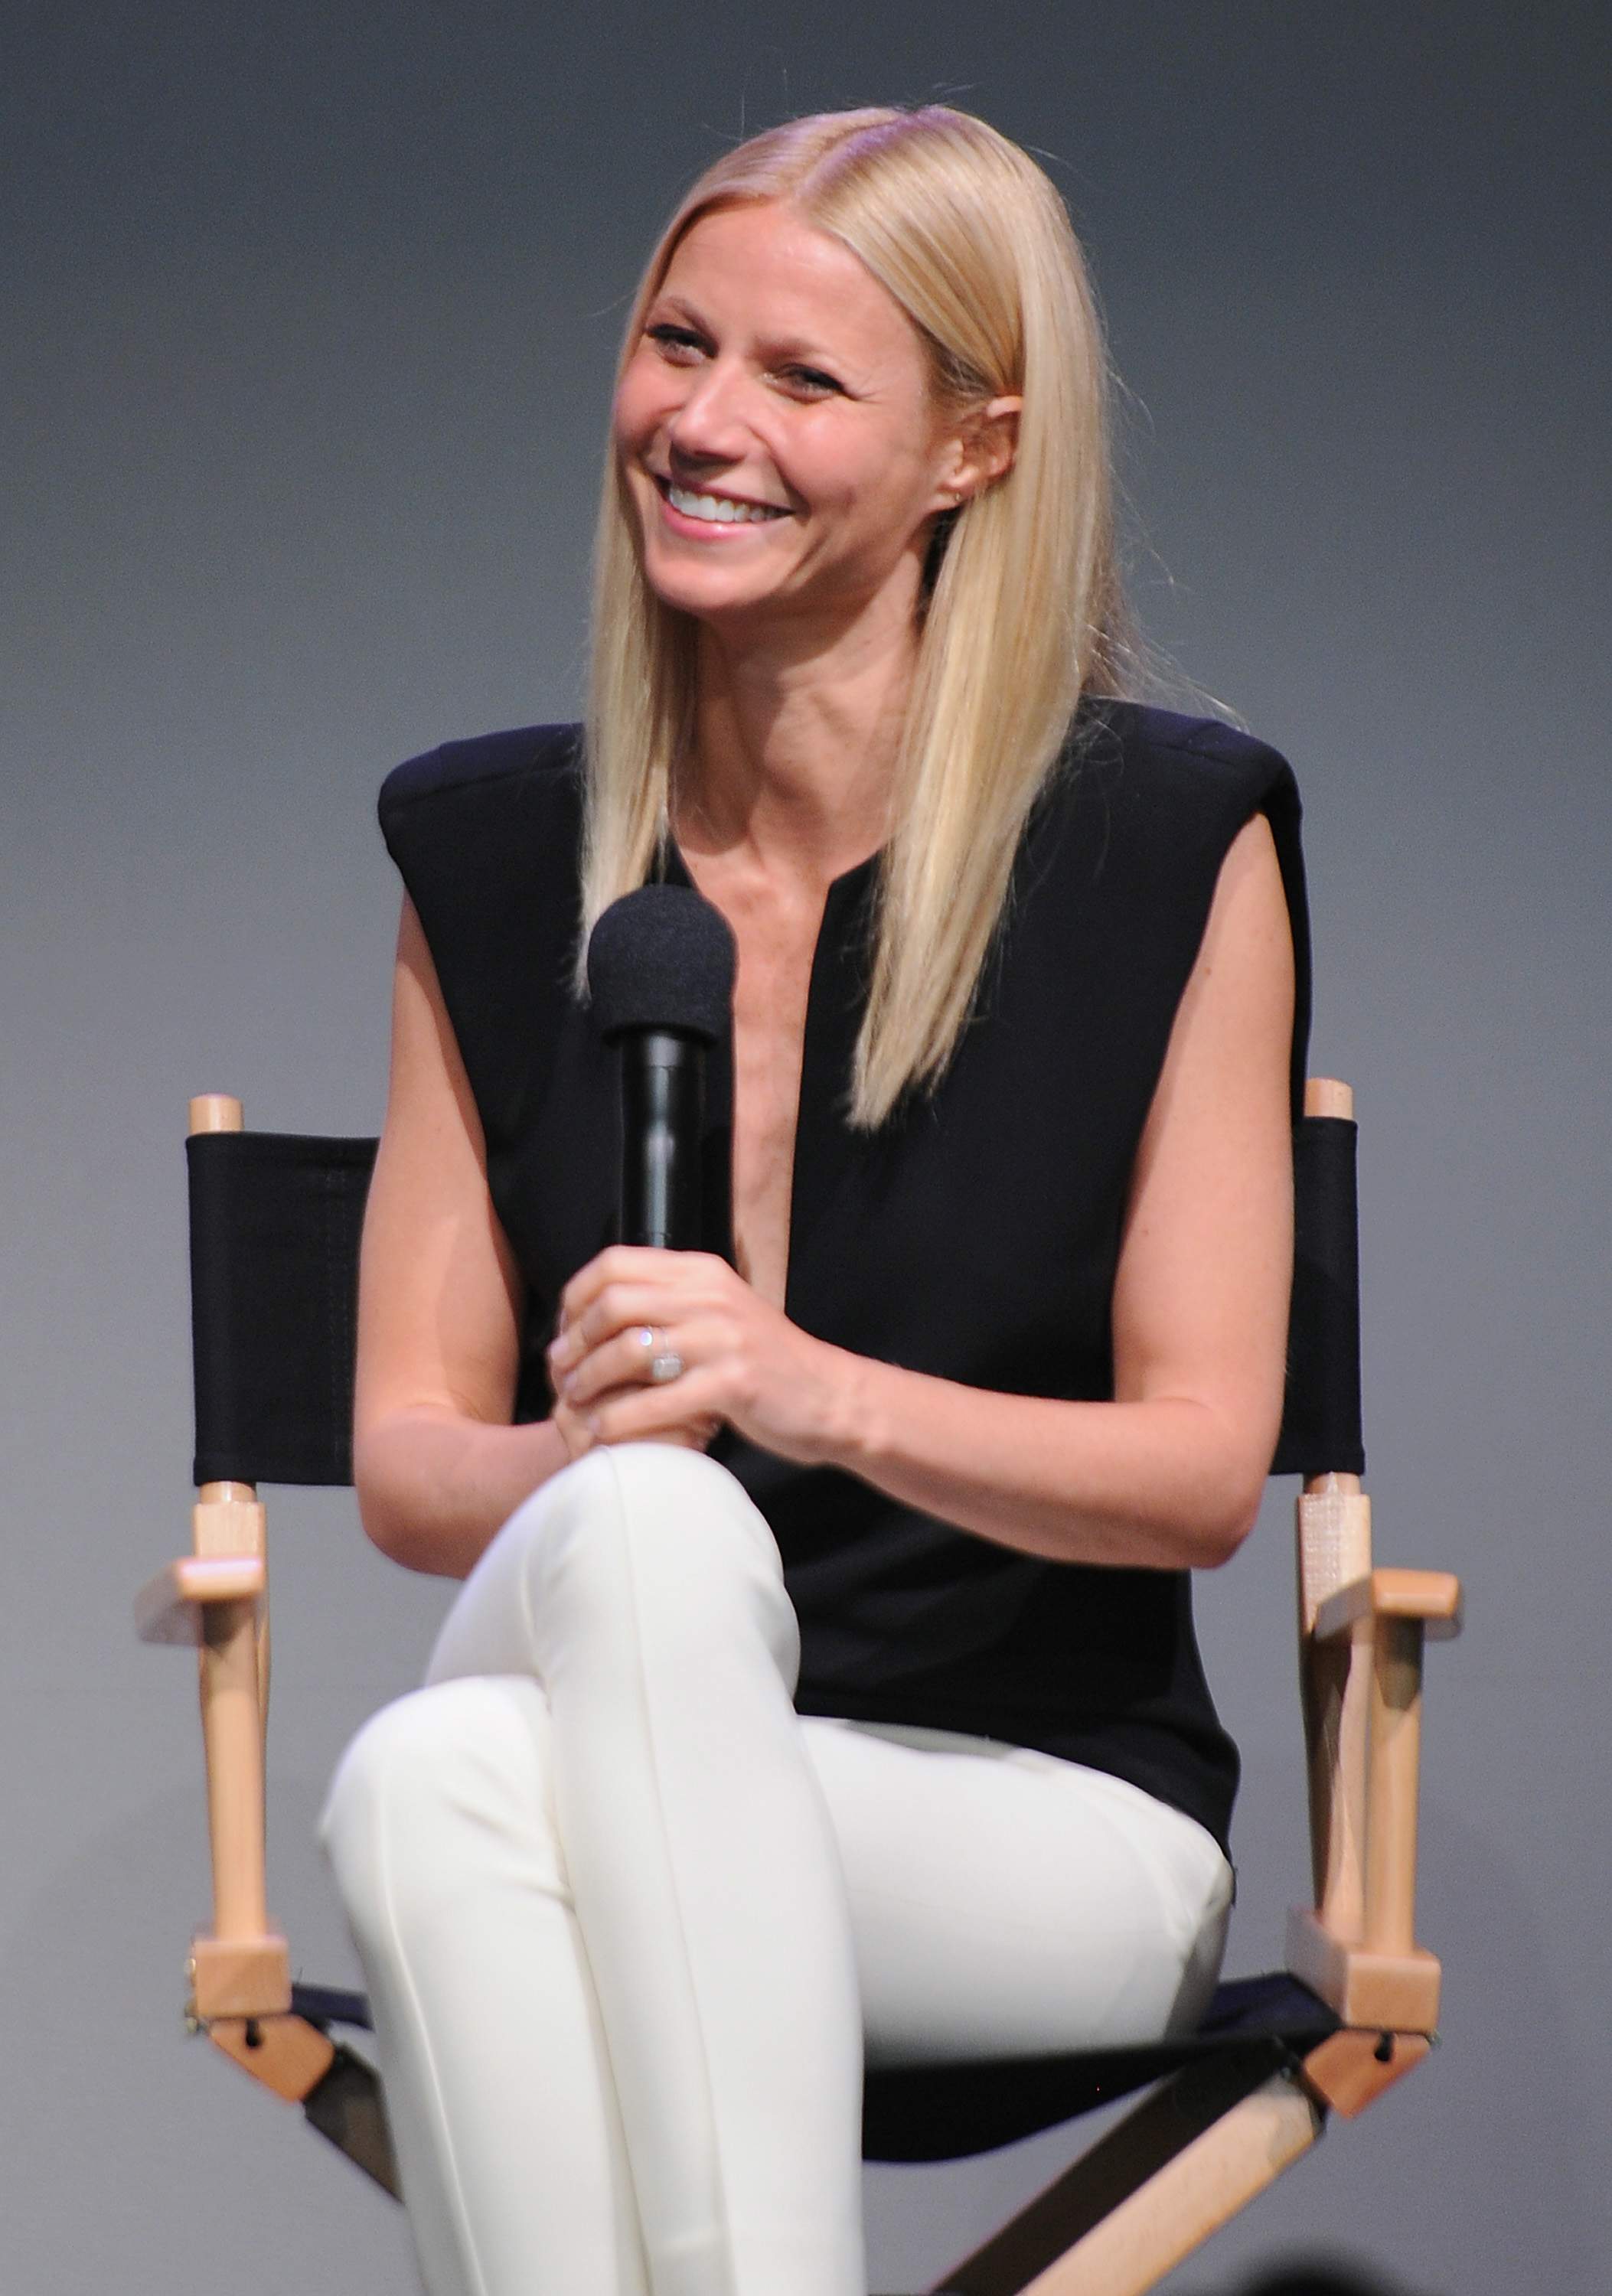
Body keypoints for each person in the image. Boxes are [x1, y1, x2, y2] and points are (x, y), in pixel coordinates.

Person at [319, 103, 1307, 2296]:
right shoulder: (492, 858)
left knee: (432, 1794)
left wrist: (803, 1392)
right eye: (677, 343)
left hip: (1035, 1821)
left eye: (800, 379)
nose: (701, 421)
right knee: (642, 1526)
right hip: (615, 1675)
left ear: (975, 450)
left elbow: (1194, 1476)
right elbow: (403, 1462)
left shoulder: (1162, 846)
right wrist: (593, 1461)